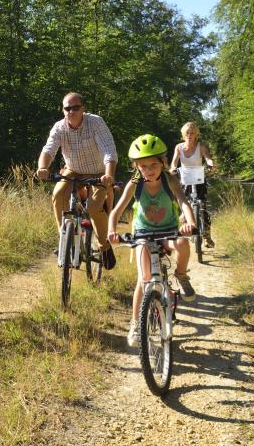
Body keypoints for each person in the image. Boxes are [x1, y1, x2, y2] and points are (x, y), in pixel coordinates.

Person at [108, 134, 197, 349]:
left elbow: (184, 203)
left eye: (153, 165)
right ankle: (136, 324)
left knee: (183, 245)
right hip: (143, 233)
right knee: (144, 278)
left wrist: (190, 223)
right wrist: (111, 231)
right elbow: (116, 211)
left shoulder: (169, 180)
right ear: (136, 167)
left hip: (169, 230)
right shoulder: (134, 184)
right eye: (143, 166)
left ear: (163, 163)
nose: (149, 170)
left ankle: (181, 275)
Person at [36, 92, 118, 270]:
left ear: (83, 109)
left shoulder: (95, 122)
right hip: (73, 170)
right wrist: (43, 168)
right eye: (67, 108)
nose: (71, 111)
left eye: (75, 107)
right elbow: (49, 149)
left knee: (94, 207)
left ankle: (104, 247)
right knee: (58, 194)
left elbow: (109, 151)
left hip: (98, 172)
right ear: (63, 109)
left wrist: (108, 175)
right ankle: (64, 238)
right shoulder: (59, 127)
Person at [170, 121, 215, 247]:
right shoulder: (179, 147)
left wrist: (210, 164)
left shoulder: (201, 146)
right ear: (183, 135)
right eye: (187, 133)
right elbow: (174, 162)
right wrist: (173, 169)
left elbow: (208, 158)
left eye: (192, 133)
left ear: (196, 135)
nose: (189, 135)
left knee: (203, 207)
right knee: (184, 203)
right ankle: (181, 229)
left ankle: (207, 237)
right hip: (185, 178)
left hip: (199, 178)